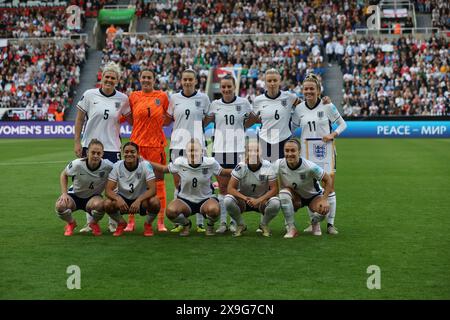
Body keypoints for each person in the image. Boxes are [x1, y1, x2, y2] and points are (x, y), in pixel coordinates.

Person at [74, 62, 132, 234]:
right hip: (89, 147)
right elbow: (79, 119)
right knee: (89, 184)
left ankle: (114, 221)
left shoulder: (123, 99)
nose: (109, 80)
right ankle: (90, 222)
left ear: (117, 80)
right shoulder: (89, 94)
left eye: (113, 78)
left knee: (113, 187)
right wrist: (77, 142)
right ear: (102, 77)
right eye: (107, 76)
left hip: (112, 147)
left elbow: (132, 120)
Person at [291, 73, 347, 235]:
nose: (308, 92)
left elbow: (343, 125)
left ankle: (330, 224)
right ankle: (313, 223)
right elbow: (292, 127)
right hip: (307, 153)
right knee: (310, 188)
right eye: (305, 89)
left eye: (311, 89)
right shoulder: (299, 108)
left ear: (318, 90)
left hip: (326, 152)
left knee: (329, 186)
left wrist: (332, 135)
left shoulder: (327, 106)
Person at [204, 74, 258, 234]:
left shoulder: (244, 103)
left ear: (234, 87)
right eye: (224, 87)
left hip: (238, 150)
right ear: (220, 88)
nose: (226, 89)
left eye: (229, 86)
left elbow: (251, 121)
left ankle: (235, 222)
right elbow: (205, 121)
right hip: (219, 150)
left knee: (236, 188)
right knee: (222, 188)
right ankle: (222, 223)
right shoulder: (214, 104)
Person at [150, 139, 232, 237]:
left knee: (214, 210)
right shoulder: (180, 162)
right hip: (185, 200)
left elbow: (223, 172)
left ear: (202, 152)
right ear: (186, 153)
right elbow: (164, 169)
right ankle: (186, 224)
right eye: (190, 151)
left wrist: (240, 169)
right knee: (170, 212)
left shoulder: (210, 162)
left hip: (206, 199)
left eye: (196, 150)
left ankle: (210, 226)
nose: (193, 153)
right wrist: (146, 162)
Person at [165, 69, 211, 233]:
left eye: (190, 79)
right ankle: (180, 221)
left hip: (198, 146)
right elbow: (168, 118)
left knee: (200, 181)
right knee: (178, 183)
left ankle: (199, 222)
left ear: (196, 81)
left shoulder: (204, 98)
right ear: (181, 81)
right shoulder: (174, 98)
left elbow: (207, 118)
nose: (187, 82)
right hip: (177, 145)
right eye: (185, 79)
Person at [126, 68, 170, 233]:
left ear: (154, 79)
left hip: (156, 147)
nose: (146, 80)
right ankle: (131, 221)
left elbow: (167, 118)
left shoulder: (162, 97)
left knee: (159, 183)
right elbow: (128, 117)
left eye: (149, 77)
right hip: (137, 146)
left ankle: (159, 222)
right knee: (133, 183)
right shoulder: (133, 97)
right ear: (140, 79)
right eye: (143, 77)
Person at [274, 139, 333, 238]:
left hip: (313, 196)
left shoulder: (310, 167)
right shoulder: (279, 164)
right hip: (294, 195)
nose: (289, 154)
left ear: (299, 152)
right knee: (283, 194)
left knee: (324, 209)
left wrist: (324, 199)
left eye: (293, 150)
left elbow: (328, 179)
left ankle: (314, 222)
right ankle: (291, 228)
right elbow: (265, 172)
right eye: (287, 151)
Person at [55, 139, 113, 236]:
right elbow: (63, 174)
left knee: (101, 205)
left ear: (102, 154)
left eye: (98, 153)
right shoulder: (77, 164)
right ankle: (71, 223)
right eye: (93, 152)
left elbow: (120, 170)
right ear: (87, 152)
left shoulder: (108, 166)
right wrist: (64, 194)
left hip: (93, 198)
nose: (95, 155)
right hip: (75, 195)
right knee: (60, 205)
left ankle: (93, 223)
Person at [224, 139, 281, 237]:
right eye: (250, 150)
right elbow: (230, 188)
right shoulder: (241, 166)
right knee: (227, 200)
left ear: (262, 152)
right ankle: (241, 224)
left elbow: (275, 189)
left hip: (262, 202)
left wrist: (259, 200)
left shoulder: (267, 166)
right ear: (246, 152)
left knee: (276, 203)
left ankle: (264, 224)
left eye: (257, 150)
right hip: (243, 202)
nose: (254, 153)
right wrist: (245, 198)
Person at [104, 142, 161, 237]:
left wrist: (139, 200)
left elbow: (153, 189)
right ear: (123, 154)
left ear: (138, 154)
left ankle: (148, 224)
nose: (129, 154)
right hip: (123, 200)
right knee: (107, 204)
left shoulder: (145, 165)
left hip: (141, 200)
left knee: (155, 202)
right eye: (126, 152)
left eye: (132, 152)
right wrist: (118, 199)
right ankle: (121, 223)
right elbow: (108, 190)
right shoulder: (117, 166)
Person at [252, 69, 300, 162]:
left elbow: (304, 107)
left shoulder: (290, 97)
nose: (272, 83)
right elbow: (253, 118)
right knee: (267, 172)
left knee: (283, 173)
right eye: (269, 81)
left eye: (275, 80)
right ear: (265, 82)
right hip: (265, 140)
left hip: (284, 140)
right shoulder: (258, 100)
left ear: (280, 81)